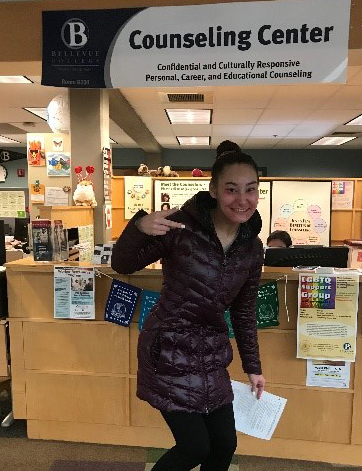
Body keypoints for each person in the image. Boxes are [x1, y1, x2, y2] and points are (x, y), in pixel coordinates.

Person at [111, 151, 266, 471]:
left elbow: (244, 309)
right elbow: (123, 264)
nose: (242, 199)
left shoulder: (252, 246)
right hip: (168, 346)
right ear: (213, 189)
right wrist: (139, 225)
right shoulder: (181, 226)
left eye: (250, 189)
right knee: (195, 447)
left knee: (224, 445)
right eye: (231, 189)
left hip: (210, 350)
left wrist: (253, 366)